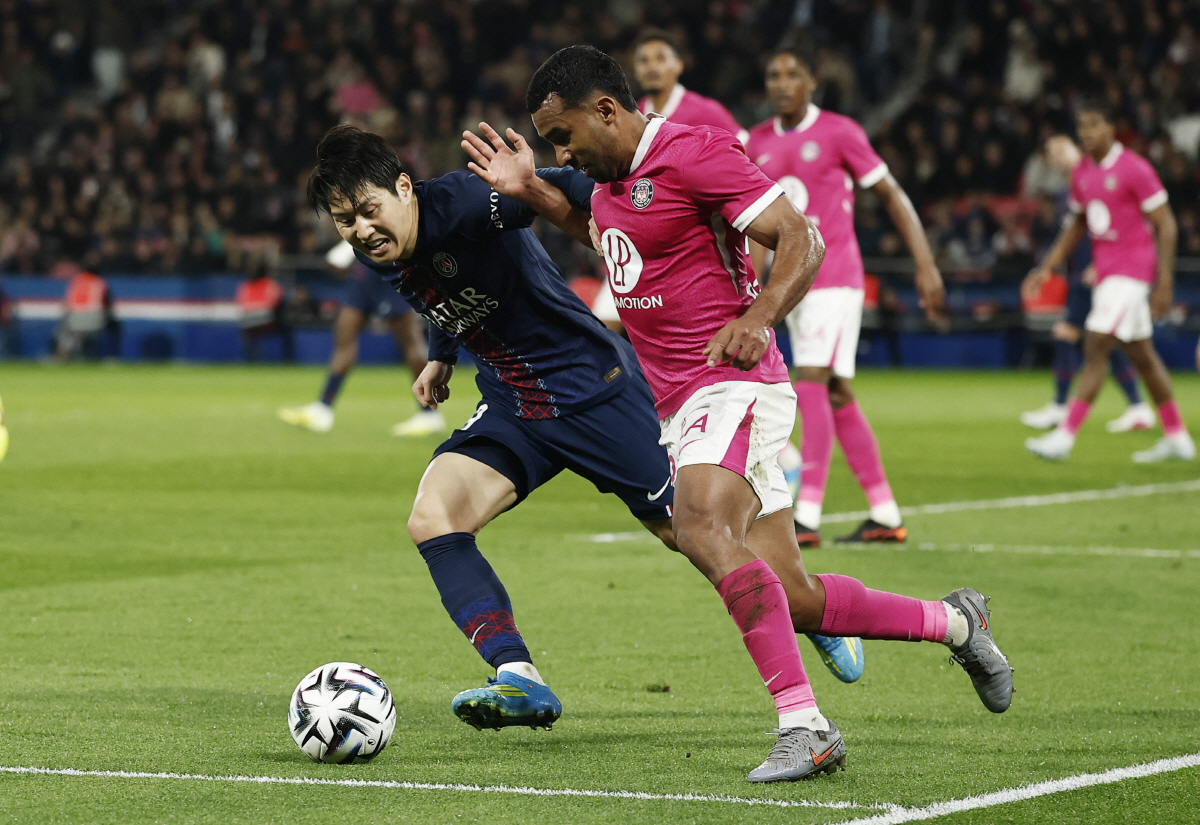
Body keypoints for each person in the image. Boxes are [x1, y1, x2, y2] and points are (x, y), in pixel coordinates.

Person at [467, 44, 1012, 783]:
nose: (562, 154)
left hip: (733, 382)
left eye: (564, 137)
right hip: (679, 401)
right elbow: (601, 230)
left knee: (698, 527)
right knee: (796, 597)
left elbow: (801, 235)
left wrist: (758, 316)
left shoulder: (694, 154)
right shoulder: (611, 183)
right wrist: (530, 187)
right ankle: (956, 623)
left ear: (606, 109)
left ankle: (804, 725)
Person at [306, 123, 685, 739]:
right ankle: (519, 675)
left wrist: (617, 227)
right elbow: (440, 287)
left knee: (691, 535)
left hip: (592, 388)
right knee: (434, 517)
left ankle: (806, 602)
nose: (361, 230)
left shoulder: (462, 200)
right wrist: (441, 356)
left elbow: (563, 186)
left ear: (403, 187)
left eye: (369, 210)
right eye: (345, 220)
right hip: (517, 402)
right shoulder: (382, 250)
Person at [745, 49, 946, 546]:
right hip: (789, 284)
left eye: (793, 74)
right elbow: (753, 222)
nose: (782, 83)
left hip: (833, 275)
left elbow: (892, 194)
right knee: (835, 392)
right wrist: (752, 283)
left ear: (813, 81)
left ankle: (807, 516)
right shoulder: (757, 141)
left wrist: (925, 264)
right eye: (773, 75)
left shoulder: (840, 132)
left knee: (811, 380)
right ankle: (885, 513)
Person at [1024, 103, 1193, 463]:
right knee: (1143, 356)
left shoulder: (1135, 168)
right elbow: (1076, 223)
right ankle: (1177, 435)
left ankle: (1064, 437)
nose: (1087, 134)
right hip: (1106, 272)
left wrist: (1164, 281)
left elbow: (1166, 224)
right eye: (1082, 127)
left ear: (1111, 129)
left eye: (1094, 125)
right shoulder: (1083, 172)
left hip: (1132, 271)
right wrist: (1047, 266)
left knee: (1096, 343)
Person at [589, 29, 752, 335]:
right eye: (644, 60)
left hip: (690, 244)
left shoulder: (705, 111)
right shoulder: (631, 114)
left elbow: (746, 158)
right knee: (604, 332)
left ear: (679, 65)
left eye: (660, 58)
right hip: (634, 241)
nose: (652, 66)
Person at [1019, 136, 1153, 433]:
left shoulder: (1096, 182)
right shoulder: (1065, 193)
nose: (1056, 156)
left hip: (1101, 274)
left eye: (1060, 149)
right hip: (1082, 275)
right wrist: (1046, 268)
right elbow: (1070, 236)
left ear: (1076, 149)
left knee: (1071, 334)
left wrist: (1098, 264)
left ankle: (1061, 408)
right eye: (1050, 153)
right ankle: (1137, 407)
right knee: (1106, 342)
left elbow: (1110, 226)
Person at [277, 240, 444, 436]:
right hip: (365, 273)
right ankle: (323, 409)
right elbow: (335, 262)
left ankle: (429, 414)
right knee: (344, 333)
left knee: (410, 342)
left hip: (391, 271)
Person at [54, 270, 120, 360]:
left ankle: (61, 355)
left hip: (74, 323)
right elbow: (108, 306)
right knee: (114, 325)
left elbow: (66, 306)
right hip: (96, 322)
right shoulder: (99, 282)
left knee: (63, 329)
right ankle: (112, 355)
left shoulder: (76, 282)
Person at [235, 261, 292, 362]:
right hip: (255, 321)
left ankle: (284, 359)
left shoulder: (269, 284)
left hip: (263, 320)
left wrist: (256, 308)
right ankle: (251, 360)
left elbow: (273, 302)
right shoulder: (248, 285)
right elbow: (243, 303)